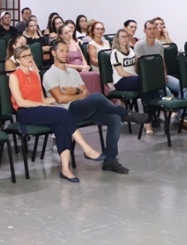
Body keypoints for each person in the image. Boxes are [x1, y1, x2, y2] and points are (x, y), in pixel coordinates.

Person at [43, 41, 149, 174]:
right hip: (67, 112)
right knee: (98, 97)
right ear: (53, 53)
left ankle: (110, 160)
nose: (65, 54)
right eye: (61, 51)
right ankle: (125, 114)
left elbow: (85, 92)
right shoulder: (49, 74)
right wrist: (78, 94)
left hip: (84, 107)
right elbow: (60, 99)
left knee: (114, 118)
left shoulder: (73, 72)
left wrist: (74, 91)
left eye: (66, 51)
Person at [8, 46, 105, 183]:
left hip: (38, 109)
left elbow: (42, 100)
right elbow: (21, 102)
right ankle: (86, 148)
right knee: (62, 113)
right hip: (25, 113)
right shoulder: (14, 76)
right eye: (25, 56)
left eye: (30, 55)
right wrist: (42, 105)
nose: (29, 58)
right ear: (18, 60)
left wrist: (62, 96)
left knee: (61, 124)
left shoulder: (35, 74)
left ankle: (65, 169)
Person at [134, 19, 187, 131]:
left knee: (184, 86)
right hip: (149, 78)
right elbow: (139, 67)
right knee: (166, 91)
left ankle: (183, 114)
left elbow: (162, 62)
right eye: (149, 29)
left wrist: (164, 74)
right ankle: (180, 114)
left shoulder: (159, 45)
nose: (152, 31)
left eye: (154, 28)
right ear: (144, 31)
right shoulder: (139, 45)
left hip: (161, 75)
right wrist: (157, 78)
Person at [57, 23, 102, 95]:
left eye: (70, 31)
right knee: (95, 75)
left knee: (96, 75)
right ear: (61, 35)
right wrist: (81, 67)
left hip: (82, 69)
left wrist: (85, 67)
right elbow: (63, 65)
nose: (69, 34)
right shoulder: (61, 47)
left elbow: (82, 58)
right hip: (71, 72)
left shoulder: (76, 43)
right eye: (66, 33)